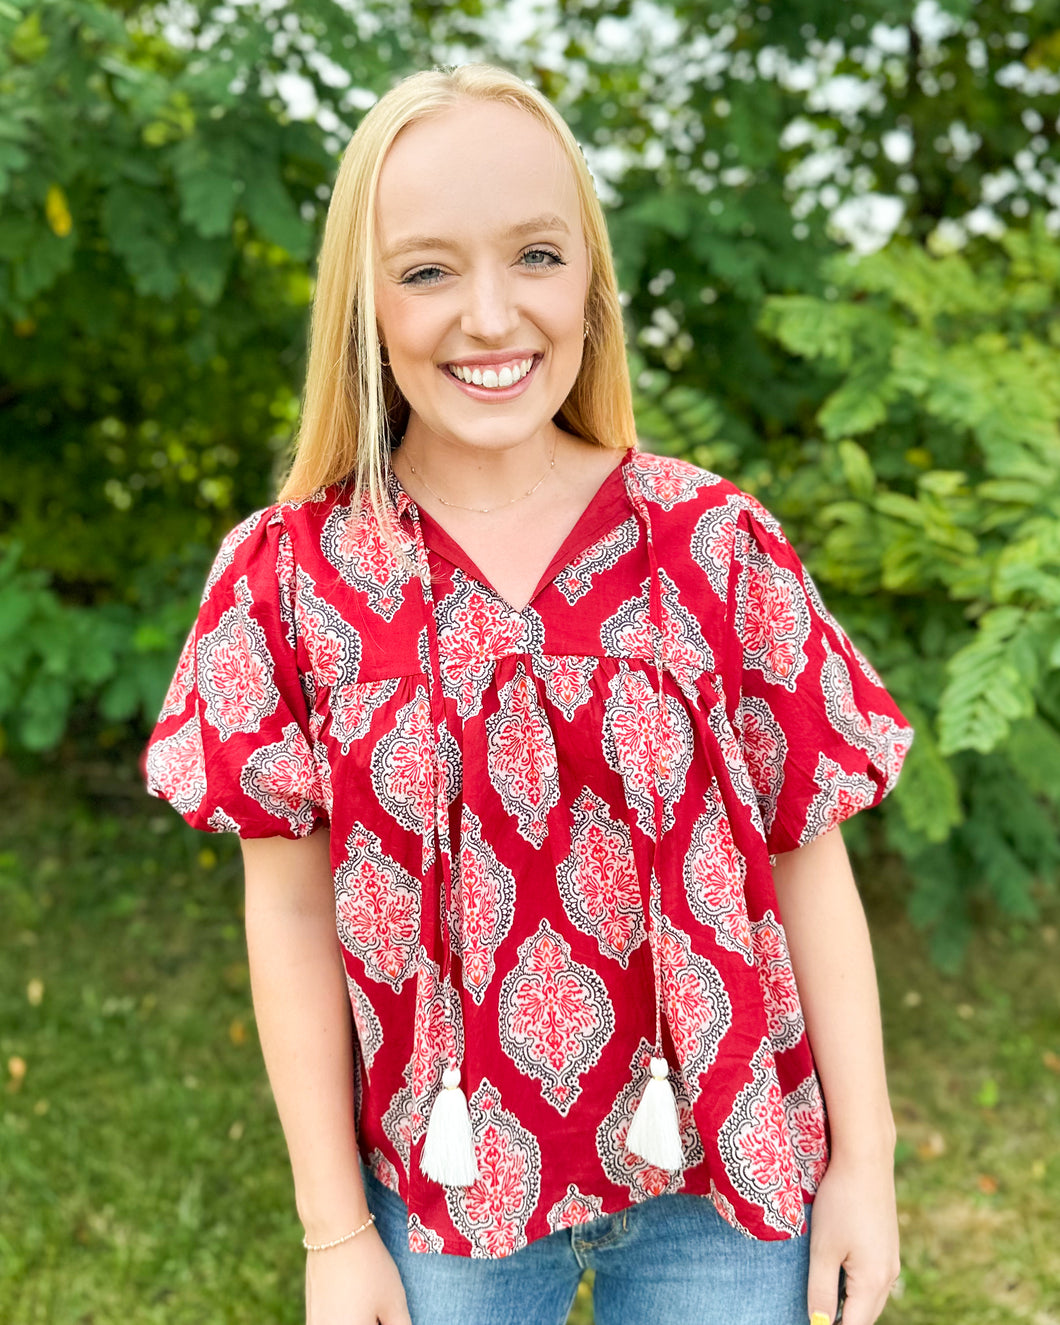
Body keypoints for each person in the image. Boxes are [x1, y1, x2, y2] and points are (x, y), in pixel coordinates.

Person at [142, 63, 911, 1325]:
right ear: (363, 304)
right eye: (429, 269)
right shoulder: (292, 575)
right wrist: (333, 1230)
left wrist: (864, 1162)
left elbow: (807, 860)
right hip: (439, 1188)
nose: (491, 317)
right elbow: (285, 921)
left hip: (727, 1173)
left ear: (593, 282)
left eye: (537, 256)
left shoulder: (712, 541)